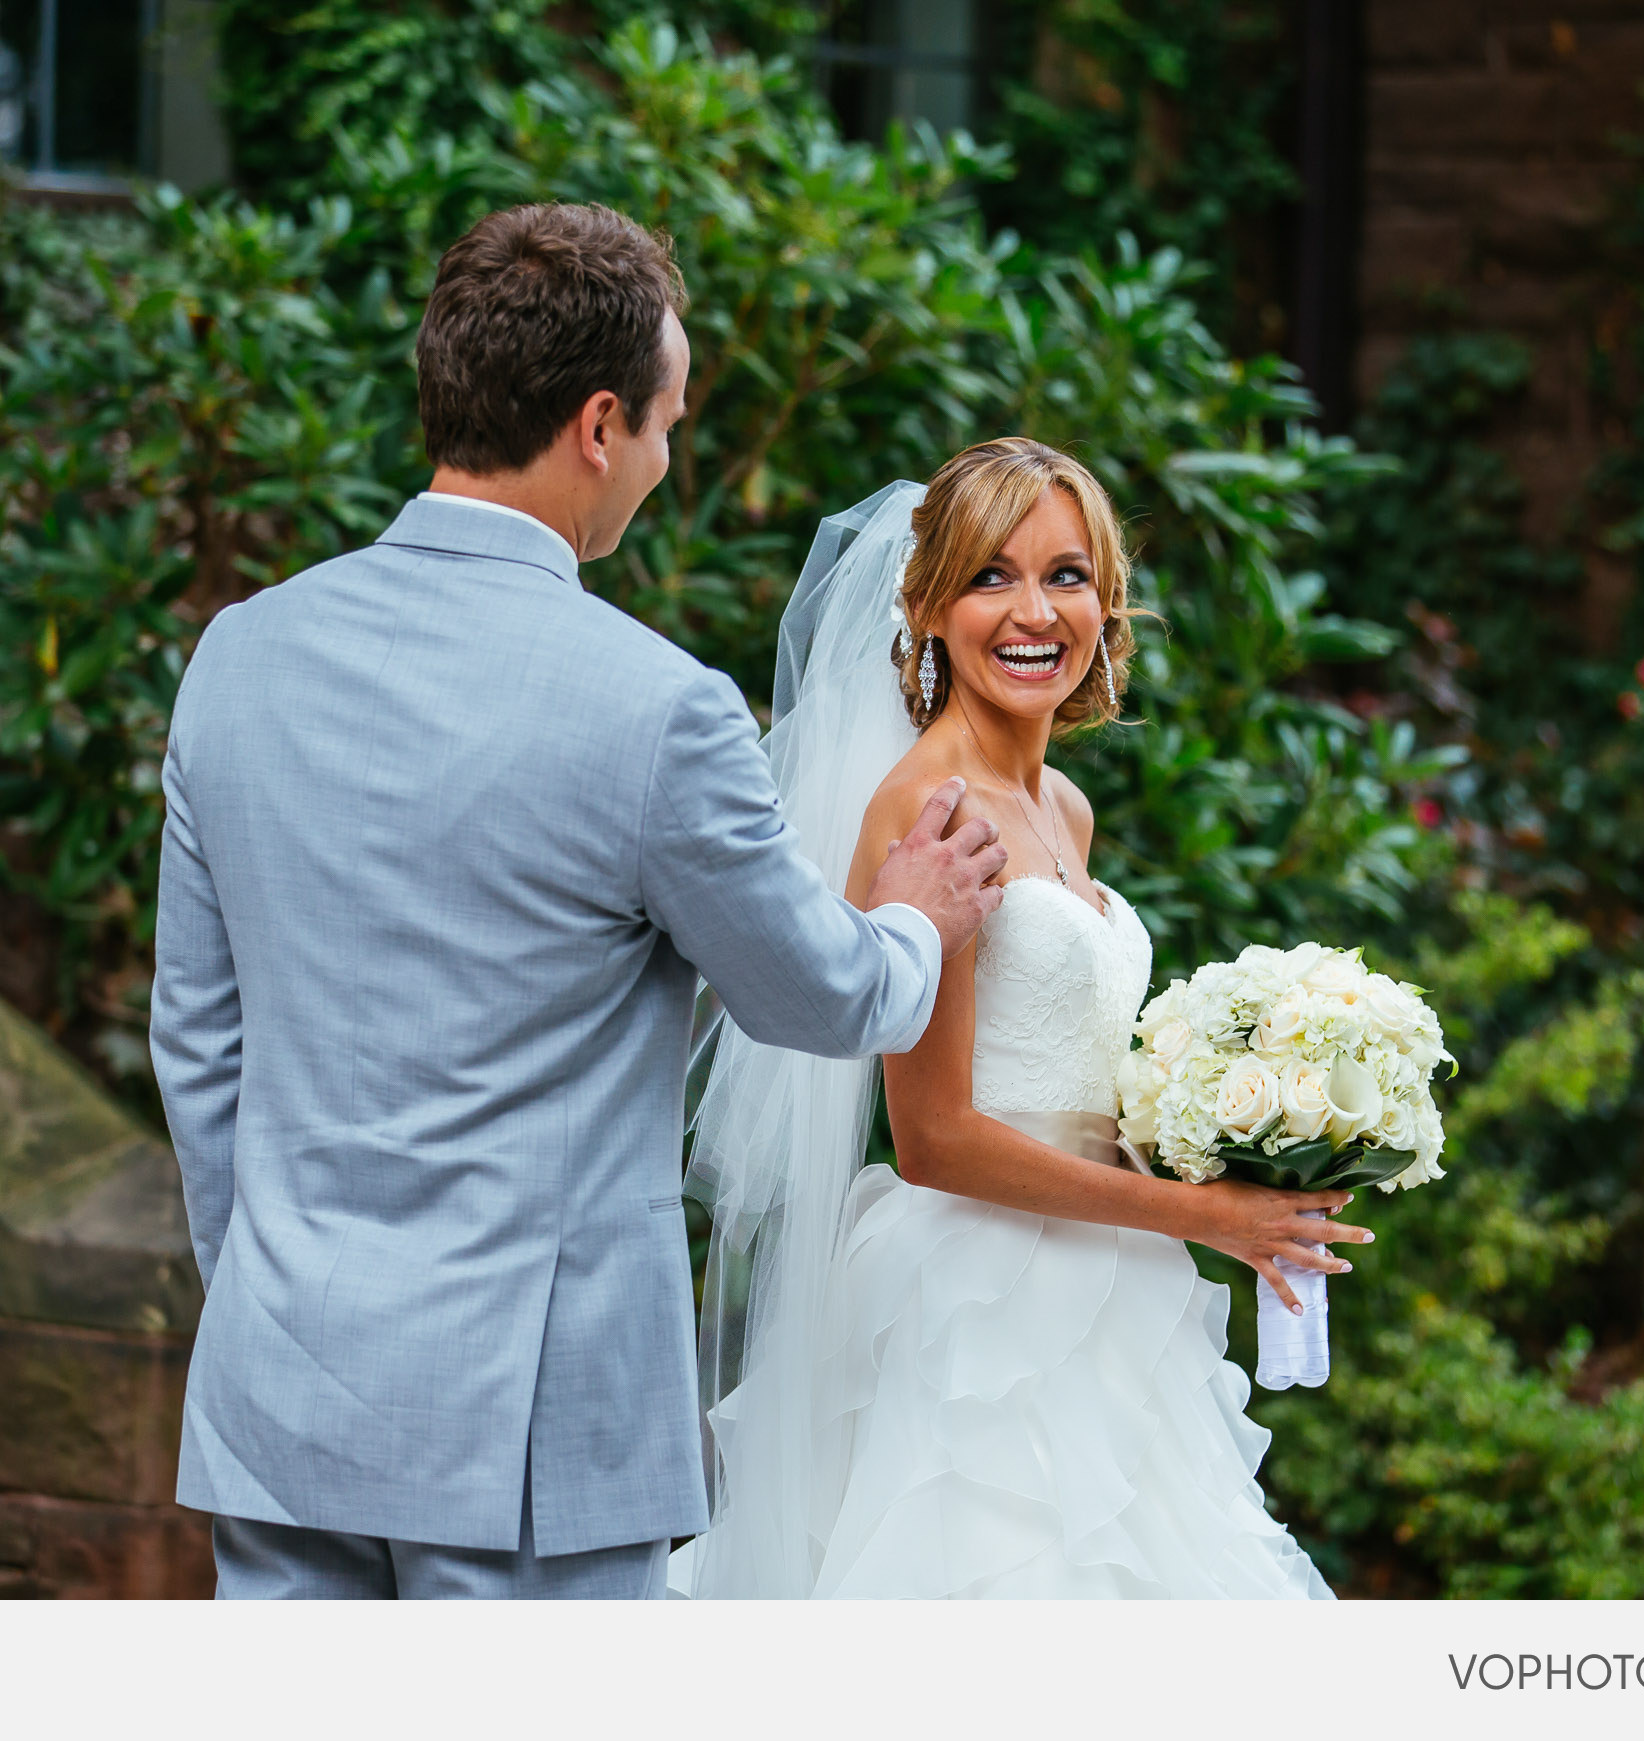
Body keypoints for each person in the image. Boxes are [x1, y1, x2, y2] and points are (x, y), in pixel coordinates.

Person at [149, 203, 1006, 1600]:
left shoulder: (239, 657)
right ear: (599, 424)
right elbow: (820, 997)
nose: (664, 463)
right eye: (667, 425)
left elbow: (198, 1040)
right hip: (533, 1443)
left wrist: (265, 1293)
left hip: (280, 1390)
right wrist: (914, 911)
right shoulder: (655, 709)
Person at [671, 439, 1365, 1597]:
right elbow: (934, 1137)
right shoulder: (926, 807)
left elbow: (1065, 1071)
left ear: (1107, 599)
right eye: (991, 576)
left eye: (1068, 574)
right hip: (976, 1309)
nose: (1034, 610)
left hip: (1108, 1283)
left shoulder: (1065, 805)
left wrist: (1243, 1149)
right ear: (929, 605)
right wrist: (1195, 1212)